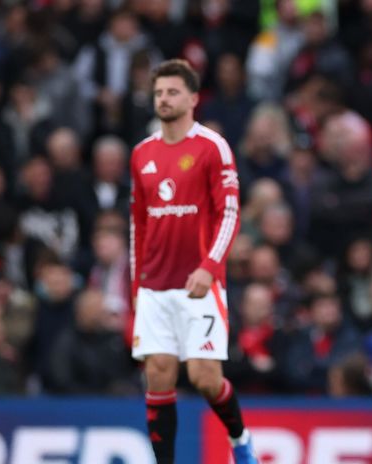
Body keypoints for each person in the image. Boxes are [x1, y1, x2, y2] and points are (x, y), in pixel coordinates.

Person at [129, 59, 258, 464]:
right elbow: (138, 226)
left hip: (197, 284)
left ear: (192, 98)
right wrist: (136, 288)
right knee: (159, 373)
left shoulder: (211, 147)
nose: (163, 99)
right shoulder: (142, 154)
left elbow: (229, 213)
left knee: (204, 378)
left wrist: (210, 267)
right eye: (158, 93)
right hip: (154, 286)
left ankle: (240, 438)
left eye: (172, 92)